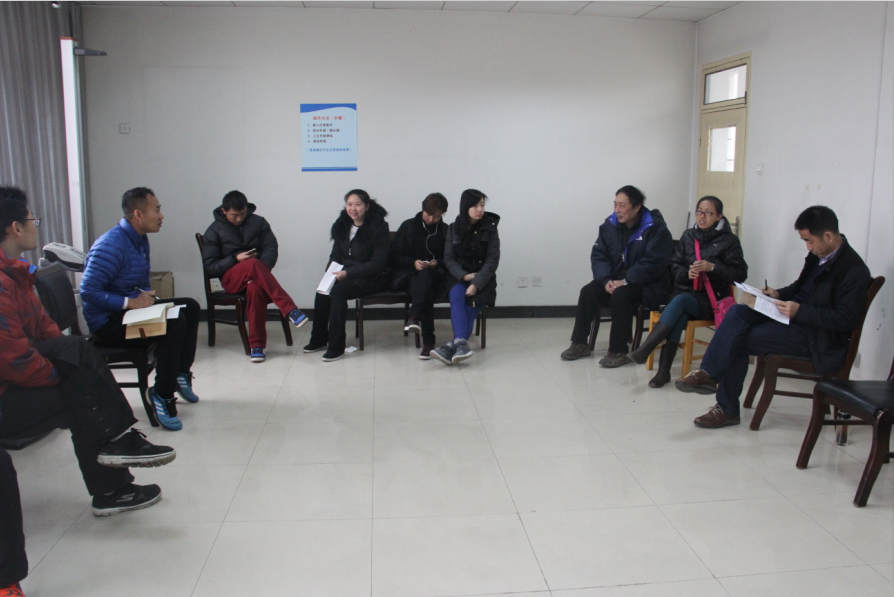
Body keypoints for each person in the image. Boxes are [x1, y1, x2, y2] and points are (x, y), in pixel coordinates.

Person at [0, 186, 176, 520]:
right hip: (6, 395)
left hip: (18, 380)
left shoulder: (15, 273)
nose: (36, 225)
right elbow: (12, 360)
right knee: (80, 393)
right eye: (32, 220)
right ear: (16, 227)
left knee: (79, 365)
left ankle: (116, 469)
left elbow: (45, 330)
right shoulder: (2, 281)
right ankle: (113, 484)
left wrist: (71, 369)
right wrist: (63, 374)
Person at [677, 206, 872, 429]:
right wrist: (778, 294)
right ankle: (708, 374)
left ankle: (726, 408)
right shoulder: (819, 255)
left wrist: (800, 311)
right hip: (794, 319)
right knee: (737, 312)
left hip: (817, 337)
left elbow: (845, 319)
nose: (808, 247)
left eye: (809, 241)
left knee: (738, 338)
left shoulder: (853, 270)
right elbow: (801, 287)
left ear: (828, 236)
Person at [81, 187, 201, 431]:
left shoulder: (138, 239)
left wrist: (145, 300)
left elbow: (135, 283)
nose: (161, 215)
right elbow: (88, 291)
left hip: (128, 313)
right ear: (138, 214)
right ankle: (162, 394)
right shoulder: (111, 244)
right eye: (156, 210)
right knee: (174, 322)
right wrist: (131, 303)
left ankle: (180, 374)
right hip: (108, 324)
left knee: (189, 307)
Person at [628, 196, 748, 387]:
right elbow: (673, 266)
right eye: (699, 212)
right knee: (680, 311)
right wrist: (687, 274)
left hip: (711, 299)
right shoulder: (689, 236)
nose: (702, 216)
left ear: (719, 216)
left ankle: (647, 348)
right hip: (685, 293)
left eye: (708, 213)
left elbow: (740, 274)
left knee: (680, 303)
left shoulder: (729, 240)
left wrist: (713, 267)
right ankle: (663, 372)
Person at [561, 185, 673, 367]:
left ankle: (618, 351)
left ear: (637, 207)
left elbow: (654, 262)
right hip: (616, 279)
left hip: (648, 284)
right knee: (589, 291)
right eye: (615, 204)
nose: (617, 210)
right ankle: (580, 343)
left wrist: (626, 280)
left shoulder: (655, 227)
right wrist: (606, 280)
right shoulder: (610, 225)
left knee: (622, 295)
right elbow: (599, 255)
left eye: (622, 205)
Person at [202, 190, 307, 363]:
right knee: (252, 263)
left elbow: (271, 249)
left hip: (257, 275)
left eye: (242, 214)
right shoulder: (214, 230)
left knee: (255, 288)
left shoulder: (259, 222)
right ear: (224, 211)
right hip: (231, 279)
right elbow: (211, 267)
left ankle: (257, 347)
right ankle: (290, 309)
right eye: (234, 215)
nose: (239, 219)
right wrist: (235, 259)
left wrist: (260, 270)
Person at [304, 189, 391, 362]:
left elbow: (378, 264)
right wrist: (330, 274)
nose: (353, 208)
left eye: (357, 204)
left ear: (366, 206)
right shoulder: (342, 224)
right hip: (348, 273)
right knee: (323, 290)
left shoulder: (379, 227)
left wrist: (347, 273)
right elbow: (336, 254)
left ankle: (336, 347)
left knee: (338, 292)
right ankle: (319, 339)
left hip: (374, 276)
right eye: (349, 204)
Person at [431, 189, 500, 365]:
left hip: (483, 278)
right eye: (475, 206)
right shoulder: (454, 228)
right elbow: (449, 258)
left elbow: (492, 260)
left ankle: (452, 345)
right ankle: (460, 345)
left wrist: (476, 283)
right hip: (459, 276)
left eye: (482, 205)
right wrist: (464, 276)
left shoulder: (490, 227)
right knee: (456, 297)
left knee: (471, 306)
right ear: (465, 207)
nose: (480, 209)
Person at [389, 193, 452, 359]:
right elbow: (394, 256)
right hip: (409, 275)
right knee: (425, 291)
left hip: (437, 276)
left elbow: (450, 259)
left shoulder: (445, 231)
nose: (431, 219)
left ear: (443, 214)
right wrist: (413, 262)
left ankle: (414, 316)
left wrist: (436, 263)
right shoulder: (408, 226)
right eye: (428, 214)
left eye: (436, 216)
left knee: (426, 276)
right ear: (423, 209)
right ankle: (428, 342)